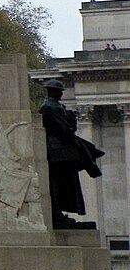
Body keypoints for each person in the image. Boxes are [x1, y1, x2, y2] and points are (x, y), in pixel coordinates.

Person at [40, 79, 103, 229]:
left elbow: (69, 128)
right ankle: (56, 212)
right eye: (60, 91)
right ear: (54, 91)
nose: (62, 93)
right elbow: (65, 130)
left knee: (63, 180)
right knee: (58, 181)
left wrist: (72, 120)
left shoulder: (57, 106)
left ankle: (90, 164)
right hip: (56, 149)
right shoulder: (49, 107)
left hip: (60, 147)